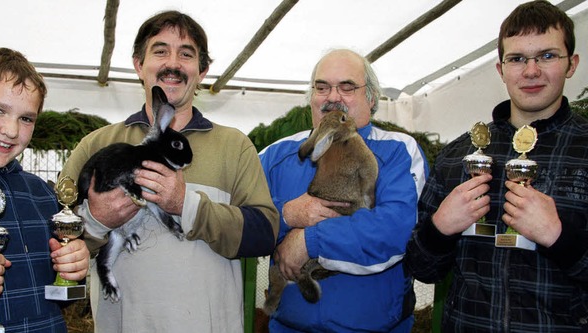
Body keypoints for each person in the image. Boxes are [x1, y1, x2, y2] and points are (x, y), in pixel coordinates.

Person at [58, 10, 279, 333]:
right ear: (139, 65)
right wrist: (97, 220)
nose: (172, 63)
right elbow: (59, 244)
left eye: (186, 54)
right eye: (160, 51)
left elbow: (264, 235)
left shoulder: (235, 146)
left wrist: (185, 204)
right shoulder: (96, 145)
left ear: (202, 71)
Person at [405, 1, 587, 331]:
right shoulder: (457, 155)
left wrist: (560, 238)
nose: (531, 71)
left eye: (547, 55)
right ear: (501, 69)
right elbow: (421, 267)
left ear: (571, 64)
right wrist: (439, 228)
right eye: (517, 59)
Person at [259, 48, 429, 332]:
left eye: (347, 87)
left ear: (371, 98)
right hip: (288, 327)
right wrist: (286, 215)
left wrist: (308, 242)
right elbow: (240, 217)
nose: (333, 97)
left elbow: (394, 230)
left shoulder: (398, 150)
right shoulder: (276, 155)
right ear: (311, 97)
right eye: (322, 87)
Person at [0, 48, 90, 332]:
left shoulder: (41, 194)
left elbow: (55, 295)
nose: (11, 130)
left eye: (26, 118)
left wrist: (72, 269)